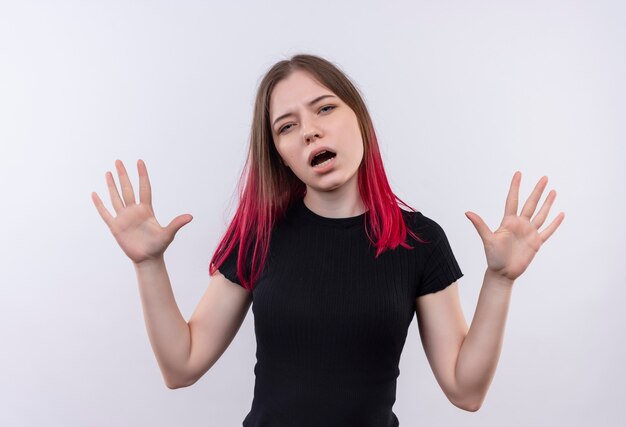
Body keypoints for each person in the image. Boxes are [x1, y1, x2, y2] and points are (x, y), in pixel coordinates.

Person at [91, 54, 565, 426]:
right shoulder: (259, 235)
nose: (310, 129)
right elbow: (182, 366)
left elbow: (466, 391)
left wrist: (500, 280)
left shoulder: (420, 242)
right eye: (287, 126)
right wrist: (148, 265)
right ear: (279, 153)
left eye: (324, 108)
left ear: (357, 117)